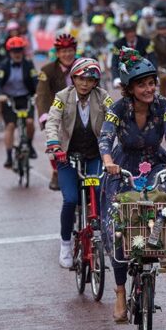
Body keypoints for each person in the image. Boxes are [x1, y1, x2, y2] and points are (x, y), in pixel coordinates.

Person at [99, 47, 166, 323]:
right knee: (120, 225)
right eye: (141, 84)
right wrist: (108, 160)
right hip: (123, 164)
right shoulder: (117, 108)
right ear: (128, 88)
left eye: (151, 83)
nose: (149, 89)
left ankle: (163, 246)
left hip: (156, 162)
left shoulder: (165, 106)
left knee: (163, 201)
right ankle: (121, 291)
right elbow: (106, 137)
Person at [44, 58, 112, 268]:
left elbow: (114, 118)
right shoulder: (61, 97)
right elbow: (52, 121)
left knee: (101, 191)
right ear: (73, 78)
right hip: (67, 157)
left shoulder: (103, 97)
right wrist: (54, 144)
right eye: (80, 78)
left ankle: (103, 236)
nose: (85, 83)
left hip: (95, 156)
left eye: (90, 80)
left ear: (95, 82)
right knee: (70, 199)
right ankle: (65, 244)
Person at [37, 34, 79, 190]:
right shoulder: (47, 70)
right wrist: (45, 117)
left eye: (70, 50)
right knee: (53, 143)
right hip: (57, 114)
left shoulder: (83, 66)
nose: (67, 54)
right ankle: (56, 171)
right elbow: (42, 95)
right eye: (63, 51)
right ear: (57, 53)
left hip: (81, 111)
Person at [0, 36, 39, 168]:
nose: (17, 54)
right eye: (14, 51)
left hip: (26, 98)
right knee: (10, 126)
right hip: (8, 99)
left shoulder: (28, 64)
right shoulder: (4, 65)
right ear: (9, 52)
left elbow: (36, 79)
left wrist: (37, 92)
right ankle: (8, 157)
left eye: (19, 51)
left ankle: (29, 144)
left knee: (29, 122)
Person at [111, 21, 152, 88]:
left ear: (136, 31)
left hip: (142, 72)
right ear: (124, 33)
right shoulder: (116, 44)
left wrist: (155, 74)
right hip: (125, 74)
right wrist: (116, 78)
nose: (130, 34)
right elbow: (114, 61)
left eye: (132, 31)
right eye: (127, 32)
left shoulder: (147, 42)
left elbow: (152, 58)